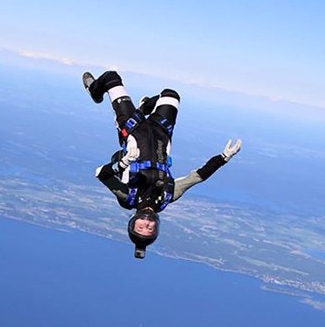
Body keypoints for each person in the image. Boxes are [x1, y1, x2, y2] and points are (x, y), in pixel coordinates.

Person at [84, 70, 242, 259]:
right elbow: (197, 177)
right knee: (171, 95)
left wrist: (123, 163)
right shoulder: (168, 196)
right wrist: (223, 158)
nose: (146, 223)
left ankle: (95, 90)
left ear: (132, 221)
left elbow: (101, 174)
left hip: (131, 128)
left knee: (111, 78)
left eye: (140, 227)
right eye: (149, 229)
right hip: (162, 132)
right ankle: (146, 107)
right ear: (156, 227)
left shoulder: (127, 198)